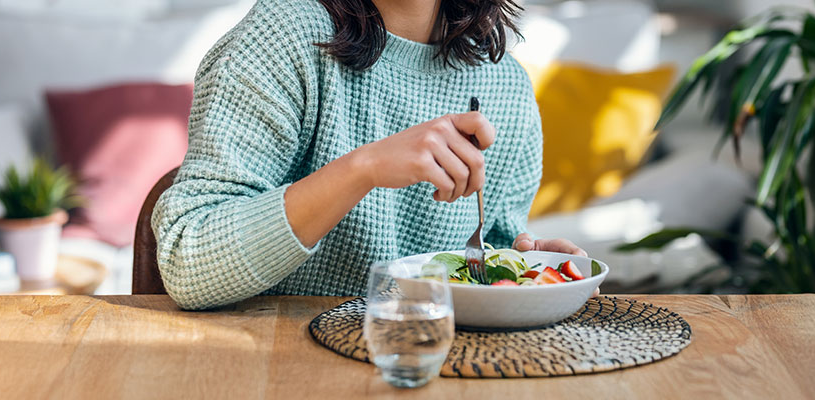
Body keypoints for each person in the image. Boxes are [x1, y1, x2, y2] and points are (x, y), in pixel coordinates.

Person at [153, 0, 589, 310]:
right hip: (275, 364)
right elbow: (188, 263)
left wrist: (526, 266)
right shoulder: (282, 36)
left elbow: (487, 250)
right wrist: (364, 168)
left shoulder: (507, 86)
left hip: (428, 366)